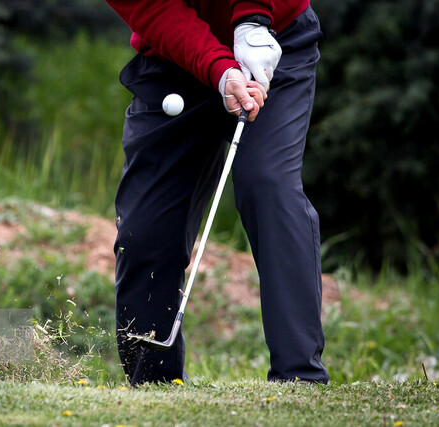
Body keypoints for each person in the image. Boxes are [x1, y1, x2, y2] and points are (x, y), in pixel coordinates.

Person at [105, 0, 329, 386]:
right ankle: (155, 384)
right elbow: (153, 8)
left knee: (267, 184)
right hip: (174, 56)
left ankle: (299, 378)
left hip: (273, 39)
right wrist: (219, 68)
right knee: (144, 228)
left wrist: (253, 21)